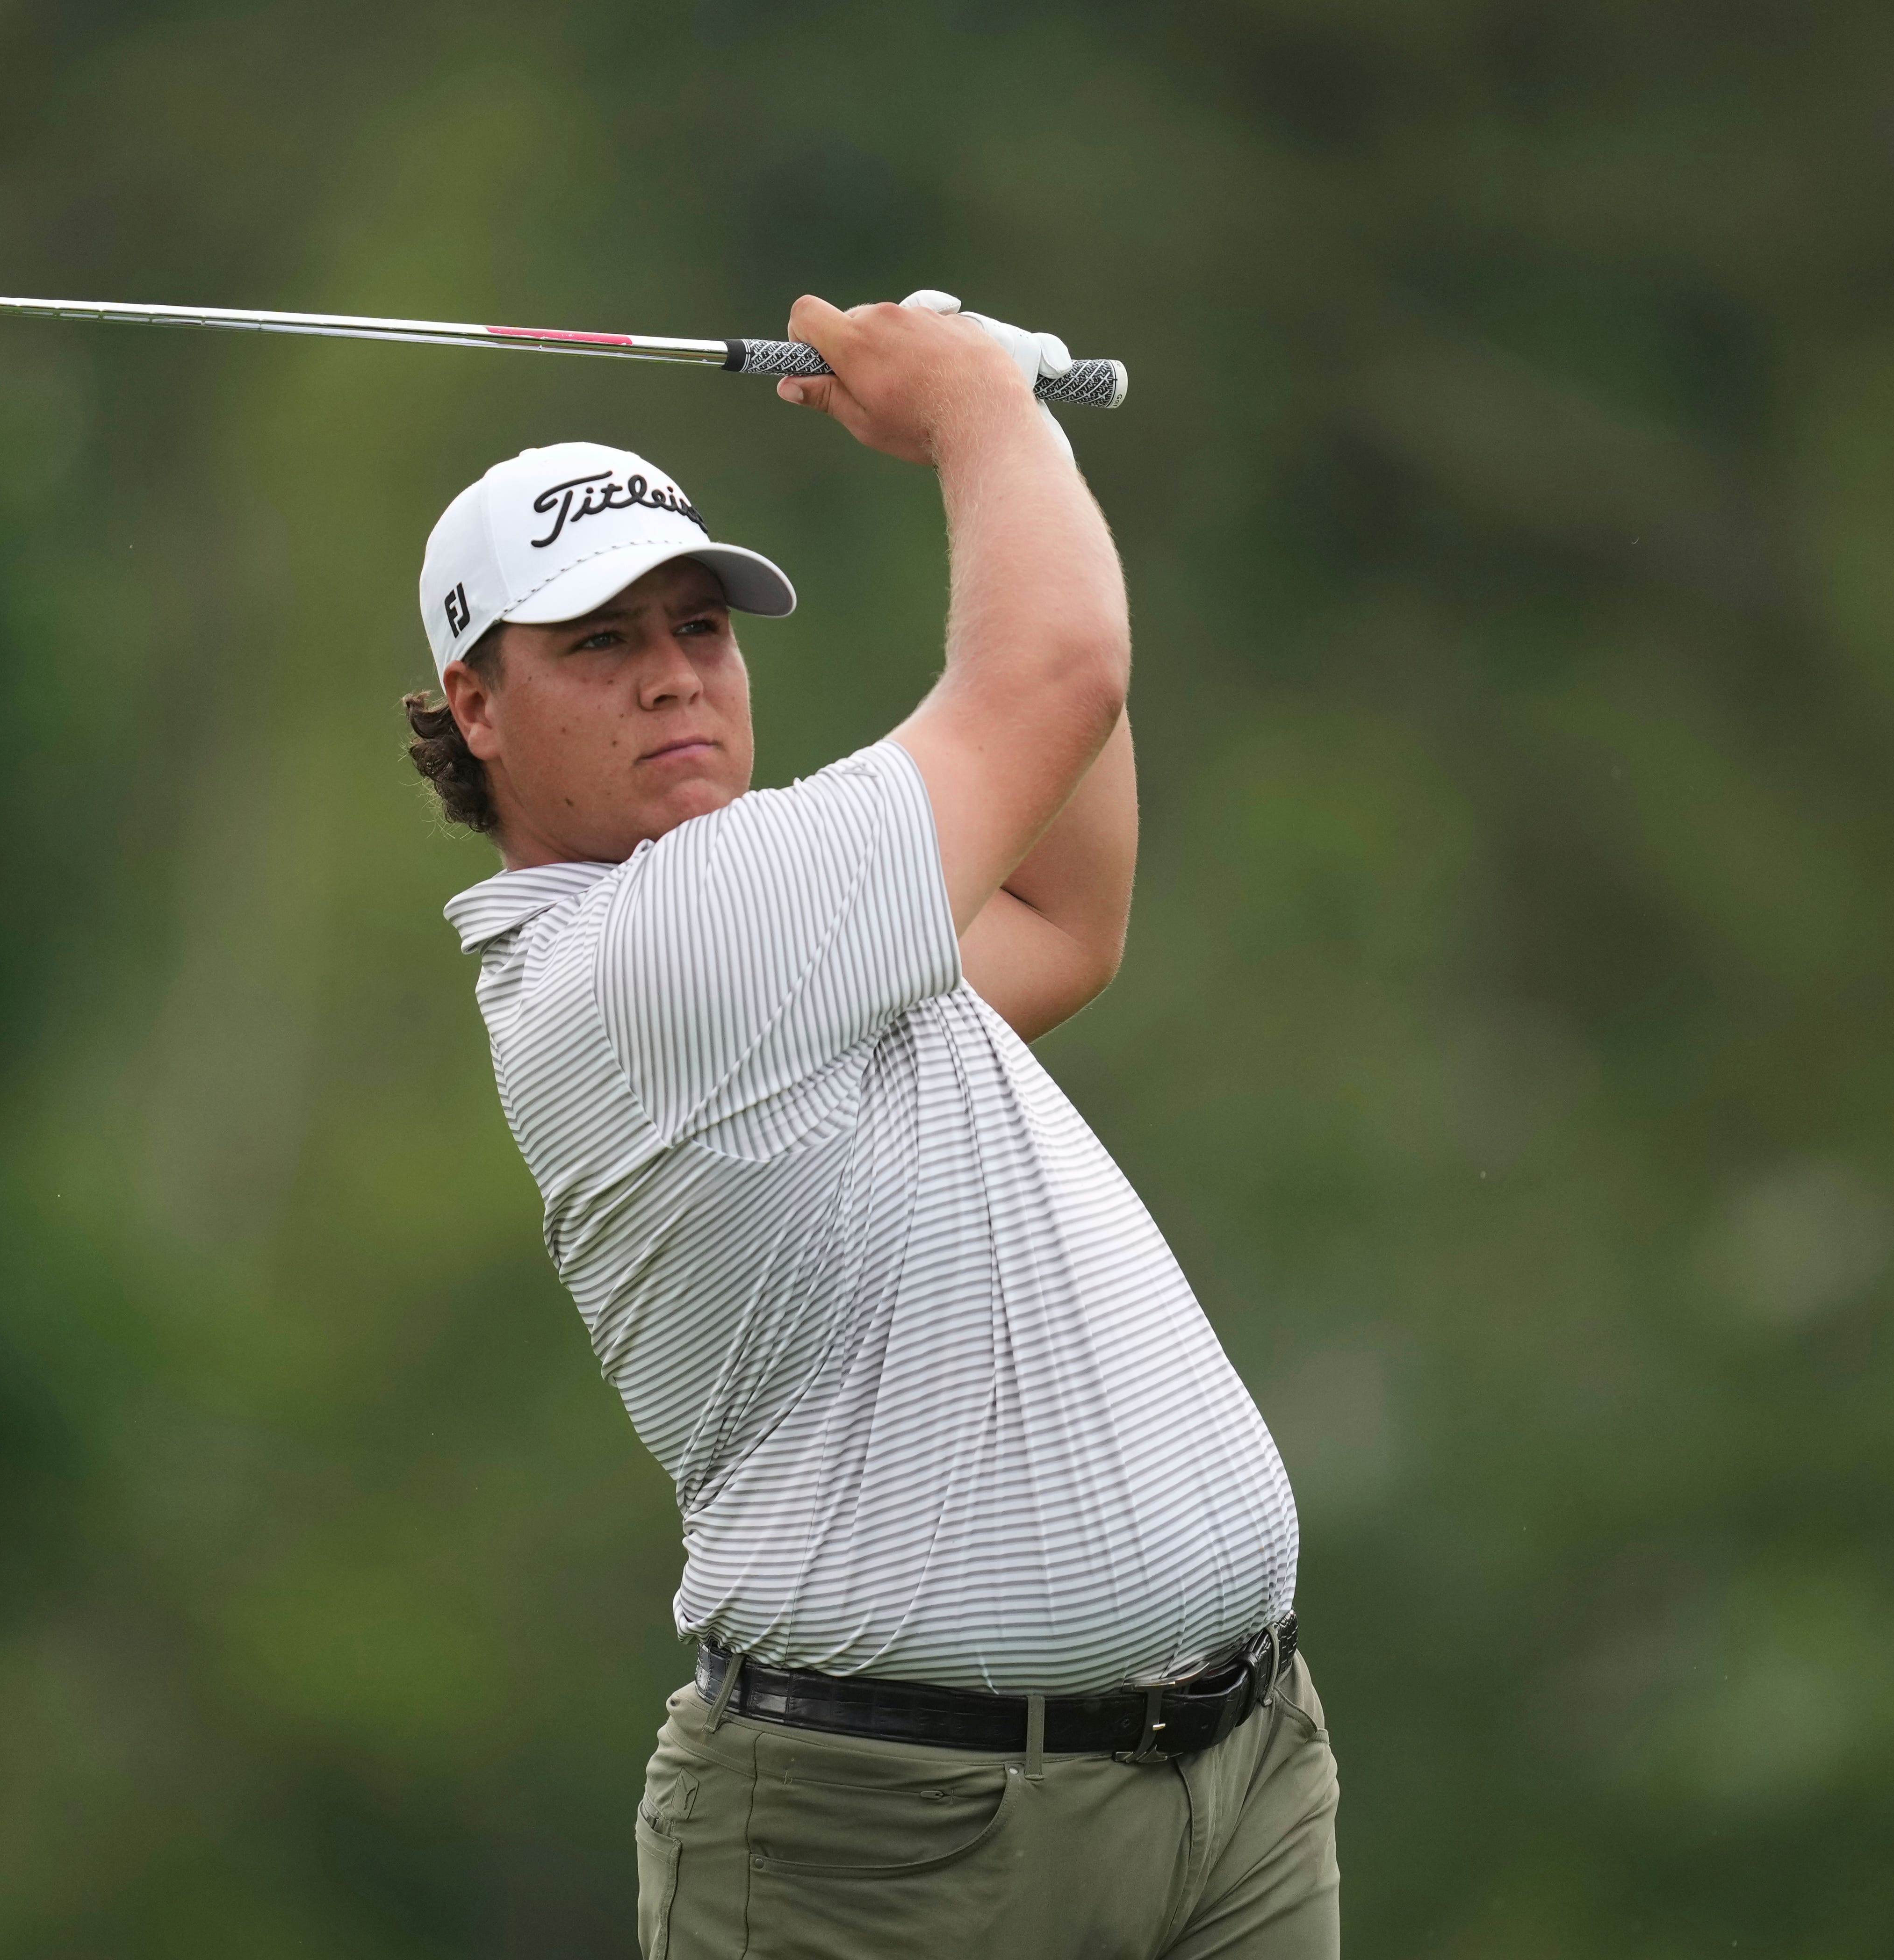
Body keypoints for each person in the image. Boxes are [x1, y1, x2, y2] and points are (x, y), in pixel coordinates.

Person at [403, 293, 1339, 1959]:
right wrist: (978, 414)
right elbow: (1056, 673)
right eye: (598, 644)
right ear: (475, 707)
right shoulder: (664, 948)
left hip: (1234, 1781)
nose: (673, 676)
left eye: (700, 626)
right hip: (890, 1849)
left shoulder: (785, 925)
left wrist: (1007, 438)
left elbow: (1059, 913)